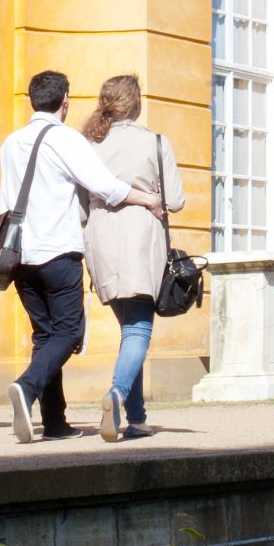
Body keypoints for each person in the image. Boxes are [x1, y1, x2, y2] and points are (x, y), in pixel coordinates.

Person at [0, 70, 163, 443]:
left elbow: (8, 201)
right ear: (66, 100)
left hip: (19, 255)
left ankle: (55, 424)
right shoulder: (66, 139)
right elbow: (104, 186)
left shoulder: (10, 143)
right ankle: (26, 388)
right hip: (57, 250)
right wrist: (147, 199)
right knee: (69, 332)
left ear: (32, 99)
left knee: (45, 338)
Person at [81, 74, 185, 443]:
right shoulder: (155, 142)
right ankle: (117, 394)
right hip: (141, 240)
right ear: (136, 102)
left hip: (102, 241)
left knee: (130, 332)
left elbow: (80, 204)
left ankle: (137, 419)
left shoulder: (90, 143)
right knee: (139, 330)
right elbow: (175, 201)